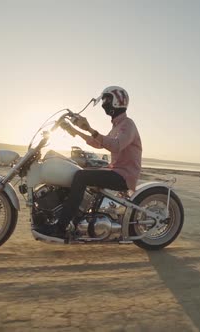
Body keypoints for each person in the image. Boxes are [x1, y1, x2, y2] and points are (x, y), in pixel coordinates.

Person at [55, 86, 142, 238]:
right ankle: (75, 218)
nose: (103, 103)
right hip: (114, 170)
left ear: (117, 101)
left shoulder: (128, 125)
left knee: (81, 177)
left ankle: (61, 227)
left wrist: (89, 128)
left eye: (107, 99)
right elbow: (99, 143)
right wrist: (76, 131)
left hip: (124, 175)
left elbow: (115, 145)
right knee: (76, 170)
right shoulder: (117, 126)